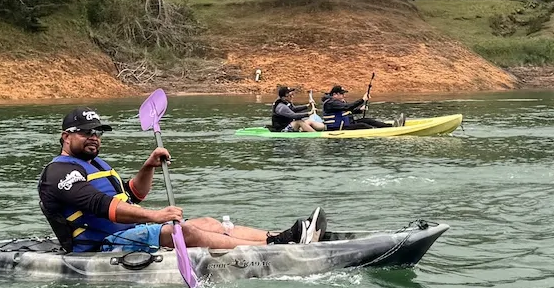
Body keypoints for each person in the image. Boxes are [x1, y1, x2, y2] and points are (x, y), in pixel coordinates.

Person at [40, 107, 320, 253]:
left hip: (129, 232)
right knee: (183, 232)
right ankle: (277, 250)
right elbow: (101, 205)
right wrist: (156, 216)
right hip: (103, 243)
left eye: (98, 133)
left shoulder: (95, 164)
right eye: (86, 132)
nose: (94, 137)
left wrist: (148, 166)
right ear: (66, 136)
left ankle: (280, 238)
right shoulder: (59, 173)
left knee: (209, 222)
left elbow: (132, 195)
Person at [320, 84, 392, 131]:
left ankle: (390, 126)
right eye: (341, 94)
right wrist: (362, 100)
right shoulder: (330, 103)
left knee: (367, 120)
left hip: (348, 124)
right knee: (363, 125)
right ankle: (379, 131)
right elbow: (347, 107)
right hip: (337, 128)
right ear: (334, 94)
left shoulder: (338, 101)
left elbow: (347, 111)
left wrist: (360, 109)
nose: (344, 96)